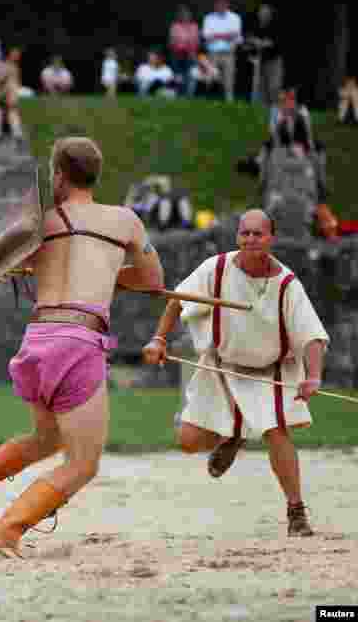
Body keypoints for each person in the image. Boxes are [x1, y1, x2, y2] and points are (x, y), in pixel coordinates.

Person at [0, 137, 163, 557]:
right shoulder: (125, 221)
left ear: (59, 176)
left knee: (45, 439)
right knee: (83, 463)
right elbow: (153, 279)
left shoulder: (40, 223)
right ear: (95, 175)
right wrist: (108, 275)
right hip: (78, 341)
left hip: (38, 339)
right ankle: (7, 528)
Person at [142, 210, 327, 537]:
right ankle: (234, 435)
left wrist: (313, 375)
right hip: (221, 366)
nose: (251, 240)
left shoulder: (286, 283)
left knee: (276, 431)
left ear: (271, 238)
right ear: (237, 236)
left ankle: (296, 511)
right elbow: (177, 301)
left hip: (270, 371)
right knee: (188, 441)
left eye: (258, 234)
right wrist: (158, 339)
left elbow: (311, 334)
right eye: (245, 233)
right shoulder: (215, 269)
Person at [201, 0, 243, 102]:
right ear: (215, 5)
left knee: (229, 78)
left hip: (229, 52)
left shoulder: (235, 18)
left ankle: (229, 100)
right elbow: (206, 36)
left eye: (223, 3)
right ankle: (209, 98)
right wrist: (226, 35)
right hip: (213, 52)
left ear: (227, 4)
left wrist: (216, 35)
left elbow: (236, 36)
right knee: (210, 78)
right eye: (218, 3)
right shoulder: (209, 18)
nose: (221, 6)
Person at [249, 5, 284, 107]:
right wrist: (256, 43)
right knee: (262, 87)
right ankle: (264, 109)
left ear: (269, 14)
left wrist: (261, 43)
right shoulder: (256, 25)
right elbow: (251, 39)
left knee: (274, 86)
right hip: (261, 60)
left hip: (274, 60)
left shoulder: (275, 25)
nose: (262, 15)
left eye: (265, 13)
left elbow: (274, 43)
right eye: (261, 13)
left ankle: (276, 108)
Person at [169, 6, 200, 96]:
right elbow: (172, 41)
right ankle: (179, 92)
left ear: (190, 16)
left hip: (190, 54)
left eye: (187, 15)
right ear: (179, 16)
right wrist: (182, 45)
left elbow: (196, 41)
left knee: (191, 73)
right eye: (183, 15)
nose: (185, 16)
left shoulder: (195, 26)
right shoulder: (175, 26)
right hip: (177, 53)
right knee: (178, 75)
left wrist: (188, 46)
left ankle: (189, 94)